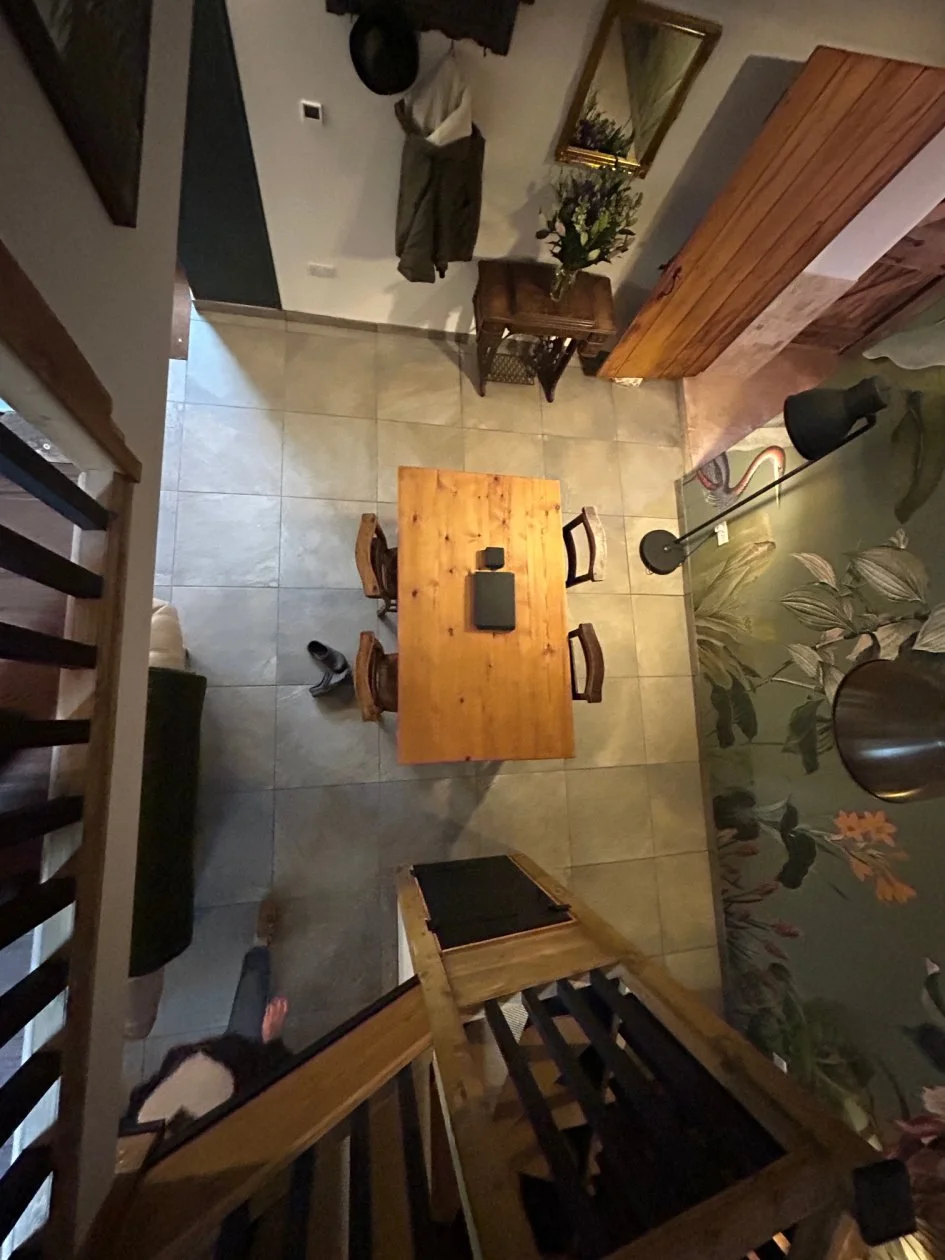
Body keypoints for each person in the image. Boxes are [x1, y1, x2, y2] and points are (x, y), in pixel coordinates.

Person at [126, 898, 292, 1137]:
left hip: (223, 1058)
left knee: (250, 998)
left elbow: (142, 1095)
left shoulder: (137, 1130)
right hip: (242, 1061)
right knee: (251, 995)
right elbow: (280, 1087)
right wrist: (271, 1044)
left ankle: (260, 946)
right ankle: (260, 945)